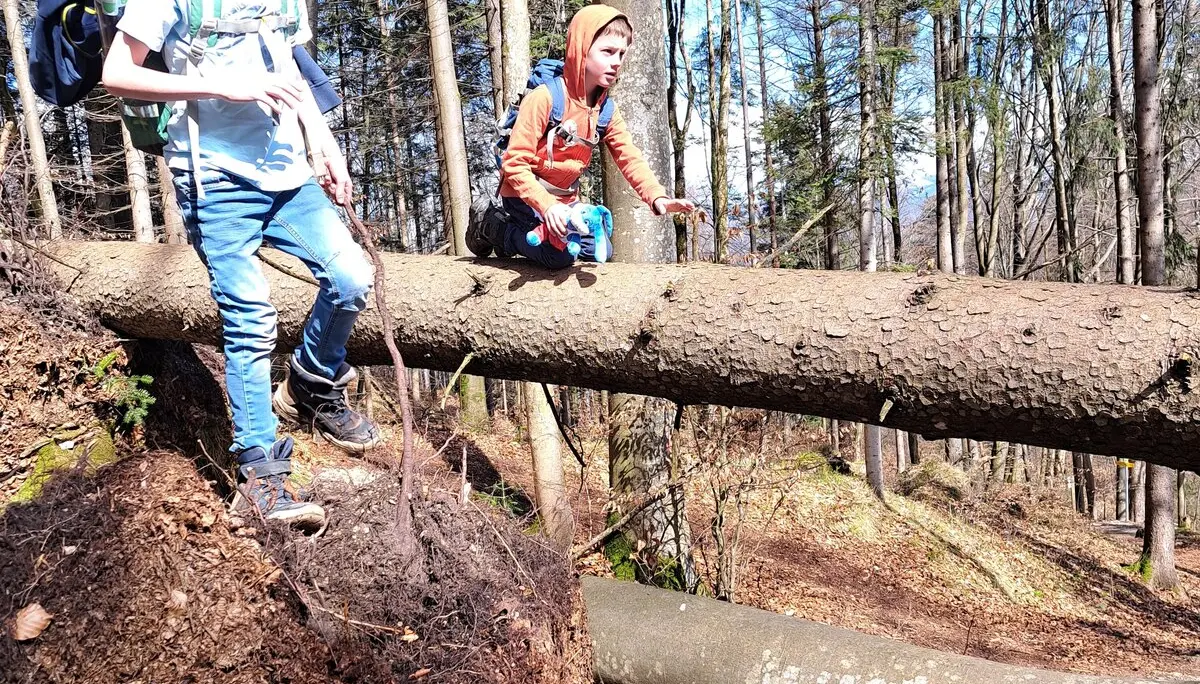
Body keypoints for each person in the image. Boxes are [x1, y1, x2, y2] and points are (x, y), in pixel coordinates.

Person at [101, 0, 384, 526]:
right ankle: (261, 481)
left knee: (351, 277)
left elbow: (291, 67)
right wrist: (224, 86)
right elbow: (116, 72)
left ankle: (310, 383)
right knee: (251, 320)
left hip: (288, 174)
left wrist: (324, 146)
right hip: (212, 176)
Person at [466, 4, 694, 268]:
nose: (616, 61)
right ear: (581, 49)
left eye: (621, 53)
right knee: (557, 256)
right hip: (524, 197)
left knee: (598, 249)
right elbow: (514, 163)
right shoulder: (545, 98)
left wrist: (656, 196)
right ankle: (492, 225)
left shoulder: (605, 109)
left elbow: (629, 157)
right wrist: (547, 206)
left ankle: (537, 231)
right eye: (607, 51)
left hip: (566, 200)